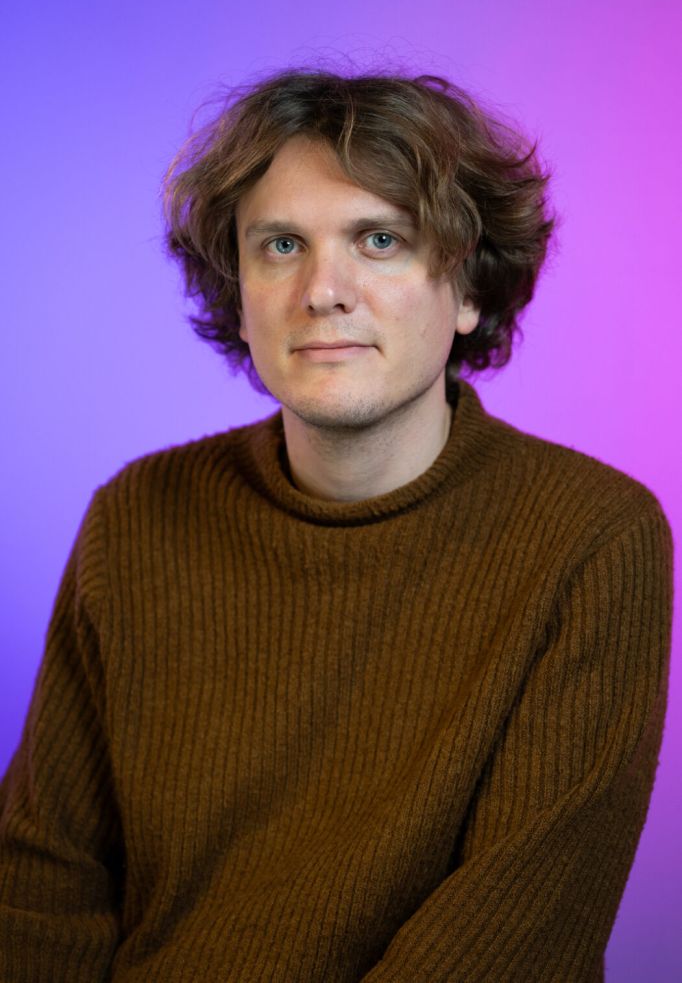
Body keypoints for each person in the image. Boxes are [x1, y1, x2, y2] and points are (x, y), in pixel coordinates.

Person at [0, 68, 673, 982]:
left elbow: (513, 936)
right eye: (280, 245)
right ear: (237, 292)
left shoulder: (594, 537)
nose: (323, 289)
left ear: (469, 289)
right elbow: (40, 886)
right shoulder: (138, 516)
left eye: (381, 239)